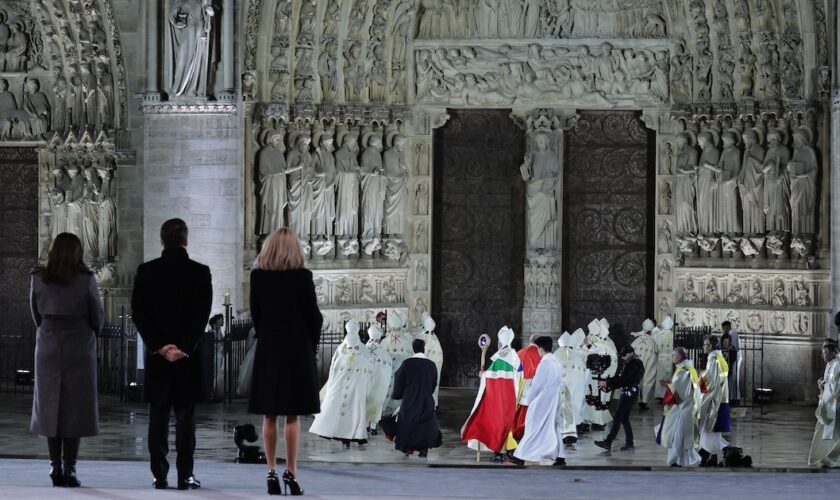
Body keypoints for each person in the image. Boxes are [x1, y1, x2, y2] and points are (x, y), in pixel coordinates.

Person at [131, 219, 212, 490]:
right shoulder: (201, 273)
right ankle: (185, 475)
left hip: (158, 358)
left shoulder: (147, 271)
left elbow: (139, 314)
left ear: (162, 240)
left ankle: (159, 475)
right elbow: (202, 317)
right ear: (186, 241)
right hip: (187, 360)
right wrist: (184, 348)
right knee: (186, 421)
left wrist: (159, 346)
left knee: (158, 418)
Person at [247, 228, 322, 496]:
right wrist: (309, 345)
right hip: (296, 349)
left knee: (270, 414)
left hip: (270, 348)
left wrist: (268, 334)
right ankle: (291, 472)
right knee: (293, 414)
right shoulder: (303, 277)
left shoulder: (258, 277)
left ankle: (270, 472)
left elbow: (256, 315)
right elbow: (314, 316)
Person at [29, 233, 104, 487]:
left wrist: (49, 329)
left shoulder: (38, 278)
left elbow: (35, 313)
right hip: (79, 346)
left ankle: (54, 465)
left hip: (48, 345)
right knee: (75, 407)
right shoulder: (86, 280)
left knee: (51, 406)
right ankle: (70, 468)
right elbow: (97, 315)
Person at [461, 326, 522, 462]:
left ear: (500, 344)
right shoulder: (515, 358)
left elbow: (489, 378)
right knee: (508, 424)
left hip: (498, 399)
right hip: (512, 398)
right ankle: (508, 451)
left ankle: (499, 452)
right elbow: (520, 377)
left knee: (497, 424)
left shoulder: (499, 359)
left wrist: (482, 373)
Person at [309, 319, 372, 448]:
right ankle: (353, 435)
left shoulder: (341, 348)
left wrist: (331, 385)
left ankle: (339, 433)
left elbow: (333, 370)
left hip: (341, 385)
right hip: (356, 387)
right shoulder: (364, 350)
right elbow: (369, 371)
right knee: (354, 410)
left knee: (339, 407)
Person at [513, 336, 567, 467]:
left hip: (542, 401)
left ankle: (521, 455)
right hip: (554, 400)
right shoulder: (557, 362)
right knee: (554, 428)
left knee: (533, 428)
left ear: (541, 349)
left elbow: (537, 385)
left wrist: (530, 400)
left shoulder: (544, 363)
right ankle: (560, 456)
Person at [390, 339, 443, 457]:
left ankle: (408, 448)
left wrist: (398, 394)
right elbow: (434, 383)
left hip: (410, 400)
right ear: (424, 349)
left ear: (413, 349)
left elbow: (398, 379)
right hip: (426, 399)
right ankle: (423, 449)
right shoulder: (431, 365)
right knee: (425, 424)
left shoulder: (407, 363)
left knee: (408, 423)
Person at [595, 345, 645, 452]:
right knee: (624, 418)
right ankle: (629, 443)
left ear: (631, 353)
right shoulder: (630, 362)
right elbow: (619, 377)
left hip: (629, 395)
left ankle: (608, 442)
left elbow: (623, 380)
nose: (622, 357)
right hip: (628, 394)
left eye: (624, 355)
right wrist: (607, 382)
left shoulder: (634, 363)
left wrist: (608, 383)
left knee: (618, 417)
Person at [657, 347, 701, 467]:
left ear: (680, 357)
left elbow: (678, 393)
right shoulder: (688, 369)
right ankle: (680, 460)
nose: (672, 357)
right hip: (687, 408)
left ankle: (673, 461)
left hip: (682, 409)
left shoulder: (683, 371)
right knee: (681, 437)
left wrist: (667, 385)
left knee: (676, 436)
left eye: (674, 355)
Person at [698, 335, 730, 467]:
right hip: (722, 399)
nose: (704, 347)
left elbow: (711, 382)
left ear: (711, 346)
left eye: (705, 344)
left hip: (714, 401)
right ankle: (714, 456)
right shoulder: (720, 358)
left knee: (708, 430)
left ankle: (707, 454)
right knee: (713, 432)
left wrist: (700, 377)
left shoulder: (713, 360)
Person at [809, 339, 840, 467]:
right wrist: (822, 384)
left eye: (825, 353)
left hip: (835, 403)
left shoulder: (837, 365)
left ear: (833, 353)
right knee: (823, 430)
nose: (823, 356)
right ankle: (821, 455)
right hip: (828, 403)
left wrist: (825, 384)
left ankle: (832, 458)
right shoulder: (830, 364)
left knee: (835, 432)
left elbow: (836, 385)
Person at [512, 334, 542, 441]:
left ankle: (516, 432)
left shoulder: (519, 352)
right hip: (534, 388)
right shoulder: (540, 354)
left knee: (519, 413)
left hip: (518, 387)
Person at [366, 324, 393, 435]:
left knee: (365, 402)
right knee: (376, 402)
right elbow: (388, 369)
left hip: (365, 384)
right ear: (379, 337)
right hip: (378, 385)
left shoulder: (363, 349)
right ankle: (373, 426)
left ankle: (365, 425)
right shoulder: (383, 353)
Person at [631, 319, 658, 410]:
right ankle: (644, 400)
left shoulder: (636, 340)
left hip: (636, 363)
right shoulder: (652, 342)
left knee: (636, 378)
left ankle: (634, 398)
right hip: (649, 361)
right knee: (648, 378)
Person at [721, 321, 741, 405]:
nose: (723, 330)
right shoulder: (731, 333)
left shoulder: (732, 333)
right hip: (731, 358)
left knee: (733, 379)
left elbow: (733, 347)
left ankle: (734, 398)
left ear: (727, 327)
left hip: (733, 358)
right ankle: (733, 397)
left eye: (724, 328)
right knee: (732, 379)